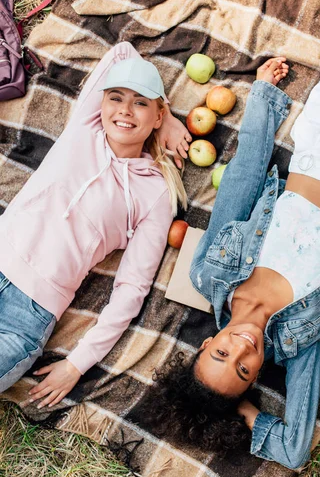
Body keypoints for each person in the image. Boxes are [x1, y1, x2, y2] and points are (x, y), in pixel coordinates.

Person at [143, 0, 320, 469]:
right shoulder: (295, 342)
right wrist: (239, 413)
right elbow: (294, 448)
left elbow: (238, 185)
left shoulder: (210, 274)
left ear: (205, 343)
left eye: (221, 355)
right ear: (255, 378)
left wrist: (262, 99)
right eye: (244, 370)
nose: (241, 349)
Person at [0, 41, 192, 407]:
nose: (125, 110)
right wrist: (167, 118)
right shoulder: (85, 127)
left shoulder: (156, 194)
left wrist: (76, 365)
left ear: (154, 113)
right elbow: (122, 51)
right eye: (116, 98)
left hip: (26, 316)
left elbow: (131, 289)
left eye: (140, 102)